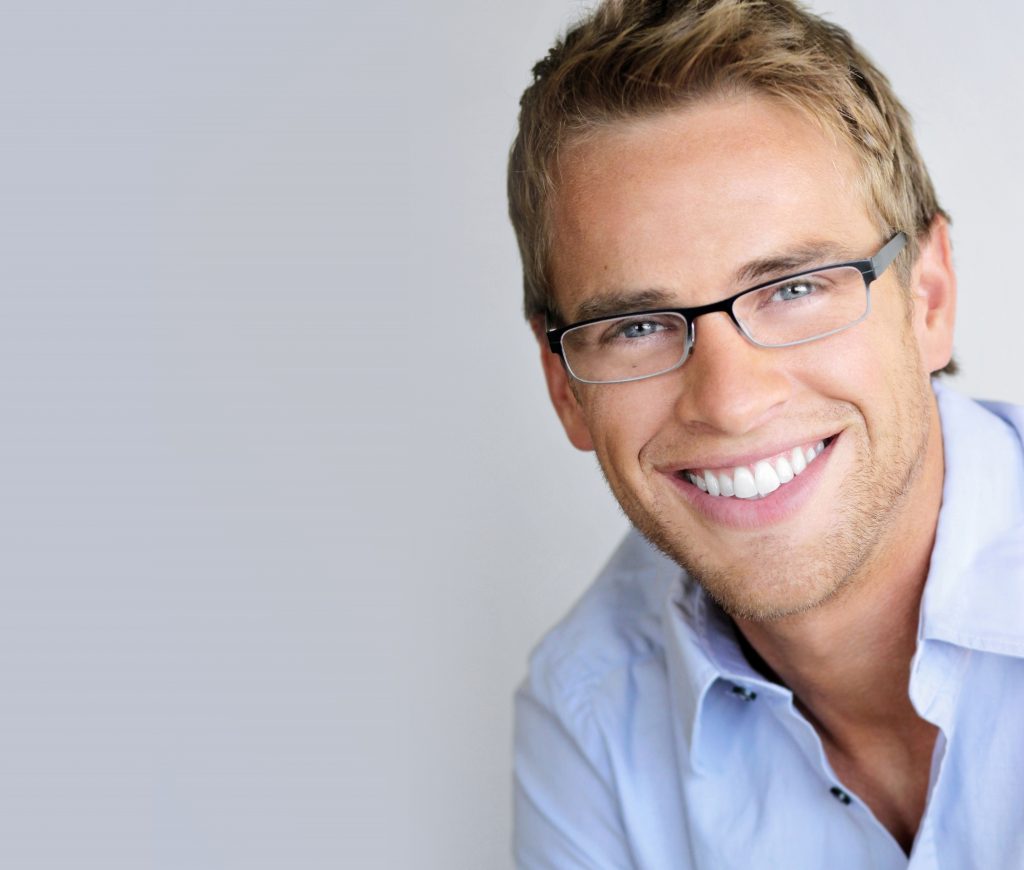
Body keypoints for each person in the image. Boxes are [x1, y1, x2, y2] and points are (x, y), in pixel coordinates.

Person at [507, 1, 1024, 867]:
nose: (731, 401)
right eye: (637, 326)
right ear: (564, 385)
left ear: (927, 300)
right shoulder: (590, 717)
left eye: (794, 288)